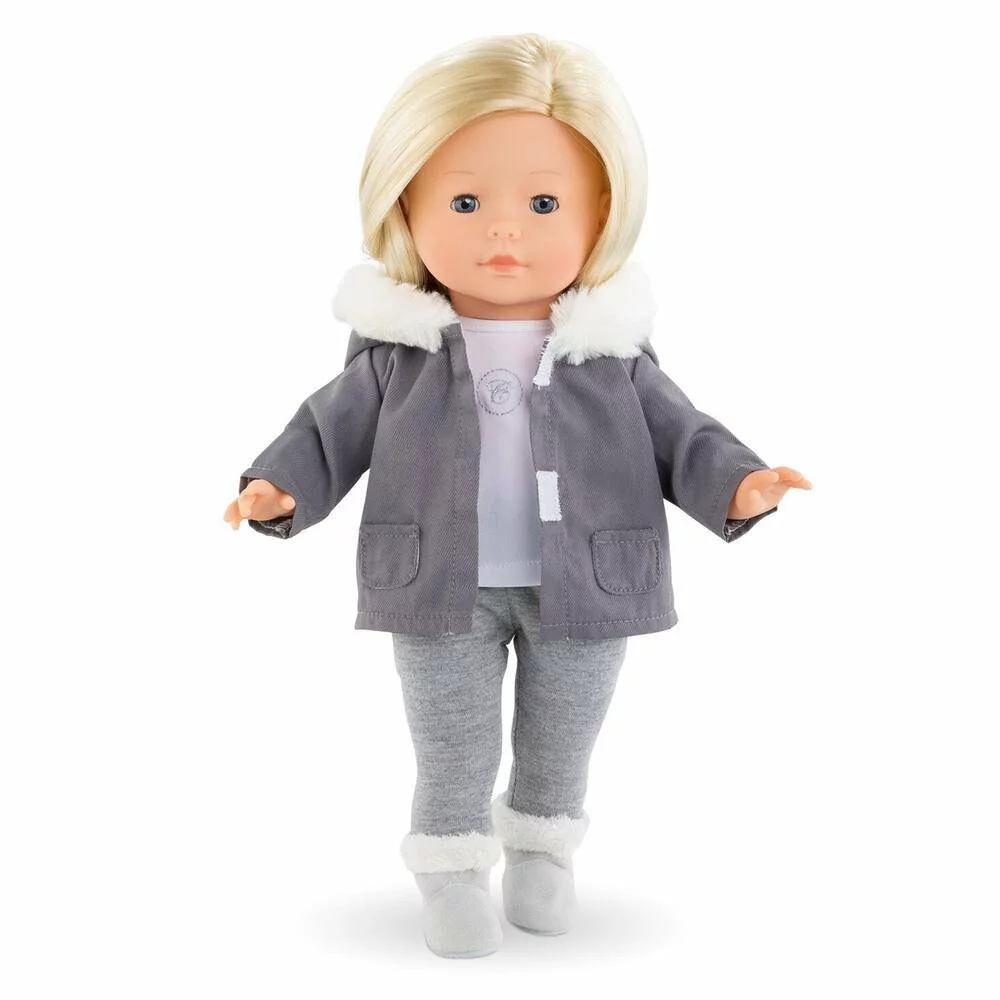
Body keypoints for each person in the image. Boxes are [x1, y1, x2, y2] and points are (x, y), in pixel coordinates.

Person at [223, 32, 811, 959]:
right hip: (437, 584)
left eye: (543, 203)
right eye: (466, 201)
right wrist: (277, 486)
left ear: (602, 210)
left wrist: (740, 482)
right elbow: (327, 430)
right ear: (405, 206)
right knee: (449, 741)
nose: (505, 231)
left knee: (563, 734)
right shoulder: (401, 352)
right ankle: (453, 868)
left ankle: (543, 845)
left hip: (588, 582)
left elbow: (682, 433)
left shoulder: (606, 349)